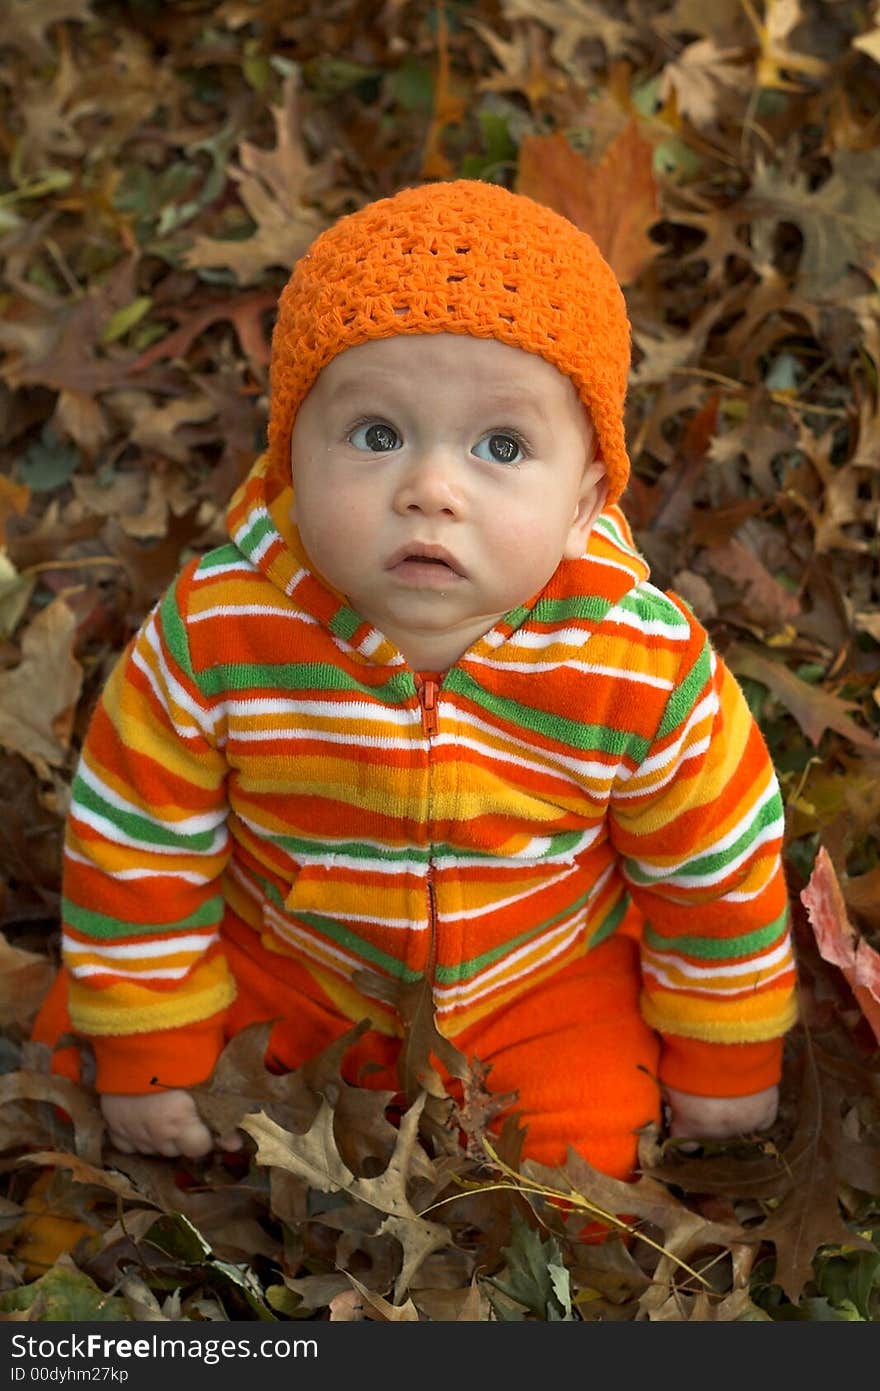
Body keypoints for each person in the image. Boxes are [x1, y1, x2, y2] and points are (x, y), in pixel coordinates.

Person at [32, 179, 797, 1178]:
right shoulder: (222, 627)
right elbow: (138, 836)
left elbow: (714, 868)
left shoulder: (637, 663)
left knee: (585, 1160)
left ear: (585, 500)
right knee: (87, 1057)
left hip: (540, 973)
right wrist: (149, 1043)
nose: (430, 488)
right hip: (296, 956)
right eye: (378, 434)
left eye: (501, 446)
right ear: (290, 459)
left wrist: (725, 1051)